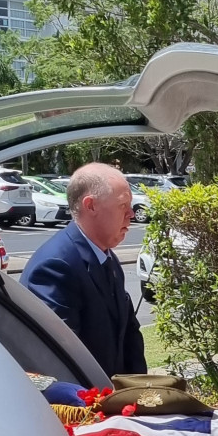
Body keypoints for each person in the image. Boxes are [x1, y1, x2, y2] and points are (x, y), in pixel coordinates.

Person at [21, 162, 146, 378]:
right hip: (85, 405)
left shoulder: (107, 257)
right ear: (91, 206)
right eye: (122, 205)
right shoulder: (55, 266)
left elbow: (129, 336)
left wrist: (143, 395)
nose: (131, 214)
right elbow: (61, 360)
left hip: (117, 402)